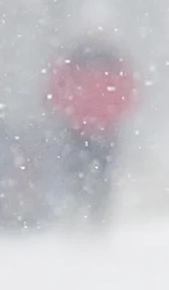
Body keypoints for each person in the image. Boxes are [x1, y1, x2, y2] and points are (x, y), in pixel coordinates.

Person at [45, 37, 140, 225]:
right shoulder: (112, 64)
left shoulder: (75, 63)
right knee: (91, 174)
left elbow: (56, 92)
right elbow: (127, 93)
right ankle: (91, 213)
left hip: (87, 129)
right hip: (95, 129)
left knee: (86, 174)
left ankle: (90, 213)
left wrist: (73, 114)